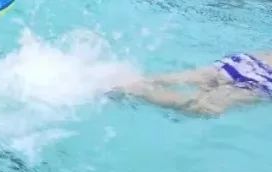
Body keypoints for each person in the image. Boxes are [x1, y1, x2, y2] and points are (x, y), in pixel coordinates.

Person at [117, 51, 272, 116]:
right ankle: (136, 90)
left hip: (248, 61)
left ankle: (120, 76)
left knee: (170, 79)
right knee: (202, 108)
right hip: (263, 81)